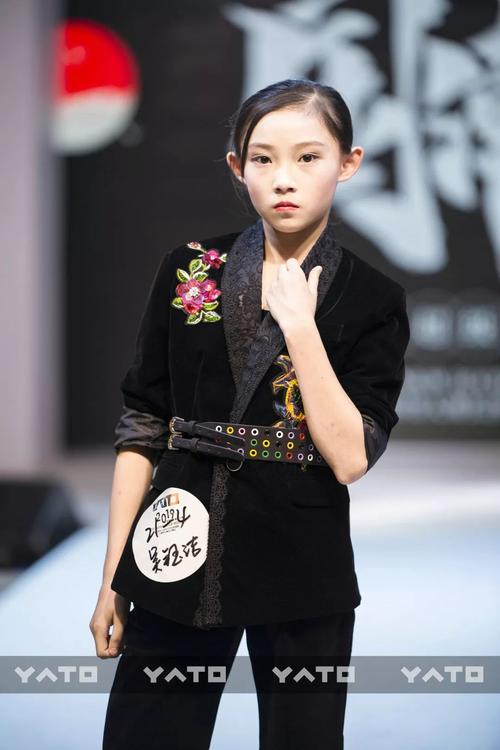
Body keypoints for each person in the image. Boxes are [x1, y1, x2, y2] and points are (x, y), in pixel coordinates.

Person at [90, 77, 410, 750]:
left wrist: (301, 327)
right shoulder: (189, 269)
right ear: (239, 168)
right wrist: (114, 578)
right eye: (263, 158)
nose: (283, 178)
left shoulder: (372, 298)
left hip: (304, 557)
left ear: (348, 163)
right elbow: (143, 423)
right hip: (176, 544)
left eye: (308, 157)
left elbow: (351, 457)